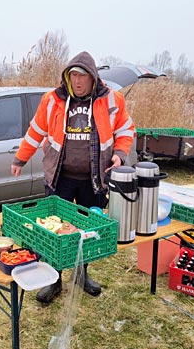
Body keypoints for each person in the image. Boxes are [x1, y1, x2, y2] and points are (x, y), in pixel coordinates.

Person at [10, 51, 136, 303]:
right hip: (60, 178)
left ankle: (81, 274)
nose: (77, 81)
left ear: (93, 77)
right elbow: (35, 131)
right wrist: (20, 159)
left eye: (83, 76)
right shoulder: (52, 100)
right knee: (54, 230)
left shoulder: (113, 99)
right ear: (67, 77)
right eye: (73, 76)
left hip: (95, 179)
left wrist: (120, 154)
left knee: (87, 231)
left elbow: (126, 129)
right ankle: (54, 279)